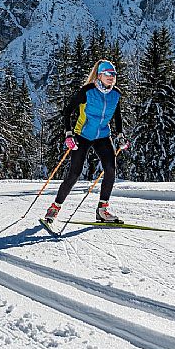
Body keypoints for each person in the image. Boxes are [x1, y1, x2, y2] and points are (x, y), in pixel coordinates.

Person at [42, 59, 130, 229]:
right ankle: (54, 208)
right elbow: (67, 111)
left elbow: (117, 116)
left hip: (103, 135)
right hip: (82, 135)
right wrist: (69, 134)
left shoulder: (115, 94)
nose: (111, 77)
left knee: (111, 170)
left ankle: (102, 210)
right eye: (108, 74)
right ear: (100, 75)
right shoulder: (87, 91)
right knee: (74, 174)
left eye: (113, 75)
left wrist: (120, 135)